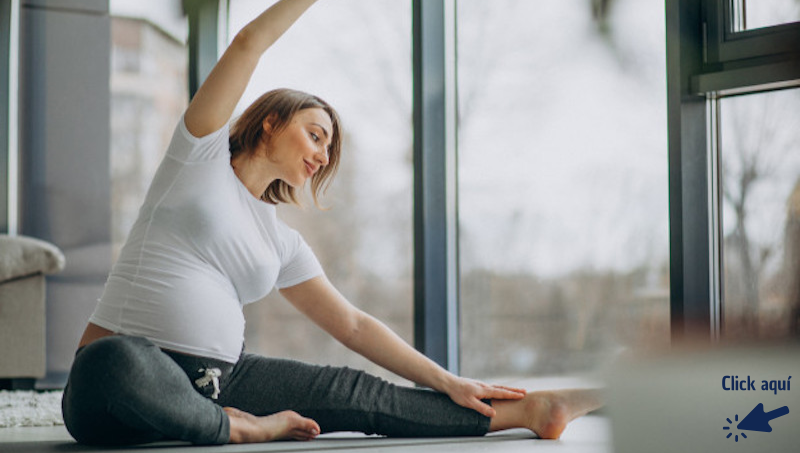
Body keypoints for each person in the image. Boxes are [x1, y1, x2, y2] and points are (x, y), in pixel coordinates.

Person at [61, 0, 602, 446]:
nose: (322, 156)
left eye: (330, 149)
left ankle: (533, 411)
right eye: (316, 134)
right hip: (123, 378)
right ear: (270, 121)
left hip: (226, 380)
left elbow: (354, 326)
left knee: (354, 392)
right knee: (113, 364)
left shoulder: (281, 241)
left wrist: (447, 379)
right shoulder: (196, 159)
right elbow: (247, 42)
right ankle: (238, 429)